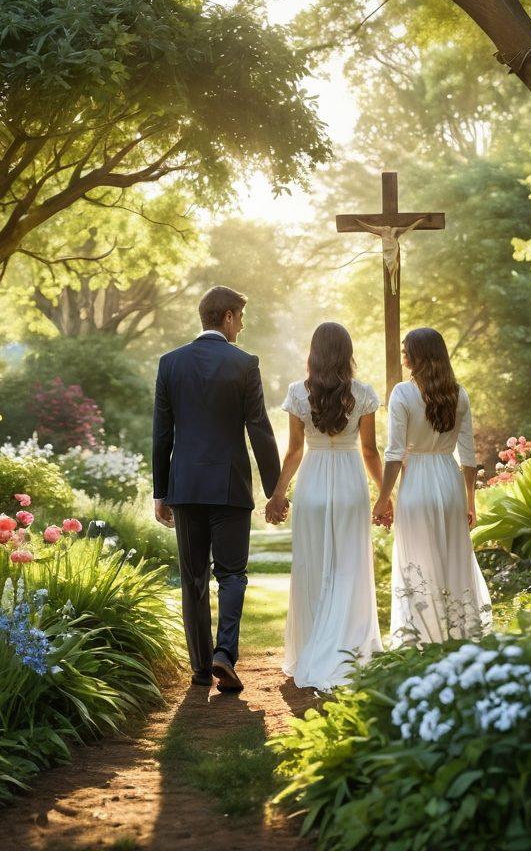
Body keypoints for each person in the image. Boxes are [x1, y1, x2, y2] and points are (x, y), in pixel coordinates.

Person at [152, 286, 280, 691]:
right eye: (240, 317)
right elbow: (258, 427)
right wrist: (275, 489)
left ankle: (201, 669)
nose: (241, 326)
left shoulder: (170, 363)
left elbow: (162, 433)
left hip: (186, 487)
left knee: (193, 578)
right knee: (232, 574)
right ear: (227, 316)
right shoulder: (244, 363)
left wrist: (160, 491)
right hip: (229, 486)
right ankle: (225, 653)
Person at [265, 323, 385, 691]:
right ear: (347, 353)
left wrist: (278, 494)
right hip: (350, 483)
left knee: (312, 566)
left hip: (313, 484)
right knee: (350, 565)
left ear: (314, 353)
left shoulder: (297, 393)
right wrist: (385, 494)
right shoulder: (363, 394)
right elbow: (369, 451)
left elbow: (294, 451)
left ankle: (310, 646)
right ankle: (348, 647)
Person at [372, 327, 491, 644]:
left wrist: (383, 498)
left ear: (419, 355)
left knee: (417, 560)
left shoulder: (402, 393)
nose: (403, 355)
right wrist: (470, 500)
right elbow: (468, 456)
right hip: (450, 481)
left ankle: (422, 635)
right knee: (453, 557)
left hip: (417, 482)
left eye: (406, 350)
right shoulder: (458, 394)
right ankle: (458, 632)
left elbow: (394, 453)